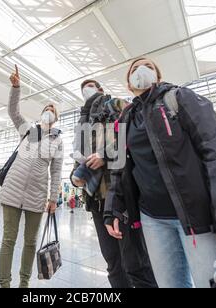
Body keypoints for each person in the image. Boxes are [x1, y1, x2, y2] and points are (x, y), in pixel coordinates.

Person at [104, 58, 216, 288]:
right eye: (134, 69)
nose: (140, 70)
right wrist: (112, 208)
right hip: (153, 220)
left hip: (199, 219)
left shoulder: (180, 99)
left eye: (148, 66)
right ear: (128, 85)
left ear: (158, 76)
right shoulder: (126, 119)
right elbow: (119, 169)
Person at [71, 80, 157, 288]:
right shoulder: (84, 123)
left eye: (91, 85)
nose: (87, 89)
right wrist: (75, 177)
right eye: (84, 87)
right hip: (97, 201)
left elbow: (135, 132)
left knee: (136, 263)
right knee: (113, 263)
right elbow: (78, 158)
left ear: (101, 89)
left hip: (121, 195)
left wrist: (105, 155)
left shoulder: (116, 104)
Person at [0, 65, 64, 288]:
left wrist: (53, 199)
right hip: (12, 190)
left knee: (30, 242)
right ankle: (4, 284)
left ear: (55, 117)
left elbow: (56, 171)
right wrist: (16, 88)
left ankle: (23, 284)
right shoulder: (27, 129)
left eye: (52, 109)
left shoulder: (58, 141)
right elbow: (13, 112)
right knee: (8, 240)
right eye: (46, 107)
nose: (49, 110)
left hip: (37, 195)